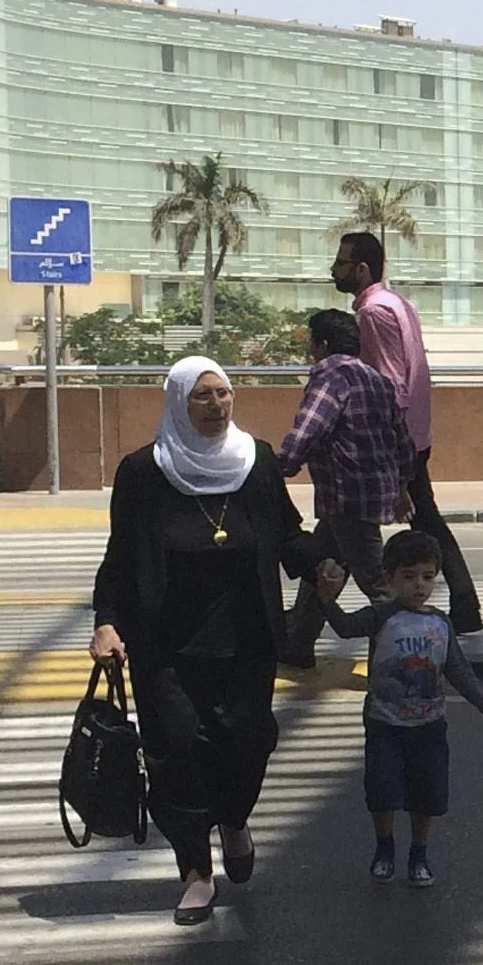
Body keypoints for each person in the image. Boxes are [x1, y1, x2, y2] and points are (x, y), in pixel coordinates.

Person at [89, 357, 313, 926]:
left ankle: (235, 819)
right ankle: (194, 871)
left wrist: (322, 562)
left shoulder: (257, 461)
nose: (217, 406)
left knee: (246, 742)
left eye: (225, 394)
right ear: (178, 401)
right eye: (203, 397)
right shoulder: (143, 471)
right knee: (179, 752)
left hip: (247, 638)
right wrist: (107, 621)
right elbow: (120, 556)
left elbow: (286, 532)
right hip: (165, 642)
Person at [321, 527, 483, 888]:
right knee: (383, 791)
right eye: (408, 577)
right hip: (384, 724)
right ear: (389, 580)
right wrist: (327, 601)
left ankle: (419, 852)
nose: (419, 585)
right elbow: (344, 628)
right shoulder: (379, 616)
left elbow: (456, 668)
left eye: (427, 577)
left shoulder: (440, 622)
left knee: (428, 793)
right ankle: (385, 846)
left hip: (429, 726)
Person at [333, 233, 477, 630]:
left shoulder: (373, 313)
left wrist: (389, 448)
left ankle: (454, 606)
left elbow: (391, 383)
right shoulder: (398, 303)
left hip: (398, 439)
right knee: (351, 526)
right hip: (416, 433)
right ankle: (466, 605)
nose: (334, 270)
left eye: (341, 263)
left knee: (362, 521)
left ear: (361, 269)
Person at [276, 308, 413, 669]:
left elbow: (308, 429)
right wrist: (401, 485)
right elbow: (402, 442)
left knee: (379, 588)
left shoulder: (331, 377)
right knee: (318, 566)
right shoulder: (376, 380)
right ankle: (298, 644)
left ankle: (394, 661)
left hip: (346, 498)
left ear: (321, 345)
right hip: (368, 496)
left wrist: (279, 468)